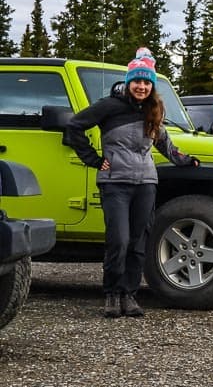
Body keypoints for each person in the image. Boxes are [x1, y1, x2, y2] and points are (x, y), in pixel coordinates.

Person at [67, 48, 199, 318]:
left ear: (152, 86)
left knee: (138, 242)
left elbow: (165, 145)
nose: (141, 86)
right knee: (119, 240)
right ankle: (112, 294)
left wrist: (186, 161)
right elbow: (74, 126)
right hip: (115, 183)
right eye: (137, 81)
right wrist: (93, 159)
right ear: (129, 83)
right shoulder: (109, 106)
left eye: (147, 82)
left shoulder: (154, 109)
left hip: (145, 183)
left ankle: (130, 295)